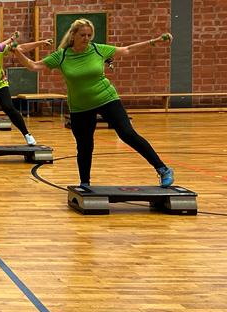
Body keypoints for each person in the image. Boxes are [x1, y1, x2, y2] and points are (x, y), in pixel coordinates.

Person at [11, 19, 175, 188]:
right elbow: (33, 66)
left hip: (106, 98)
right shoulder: (62, 55)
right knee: (84, 146)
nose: (87, 38)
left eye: (89, 35)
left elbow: (127, 50)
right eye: (83, 35)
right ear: (73, 35)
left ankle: (163, 169)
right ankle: (85, 184)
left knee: (127, 133)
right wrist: (16, 52)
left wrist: (154, 41)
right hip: (80, 106)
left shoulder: (98, 49)